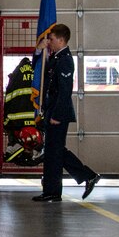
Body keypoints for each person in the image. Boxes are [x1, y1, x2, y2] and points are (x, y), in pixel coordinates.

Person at [34, 24, 100, 202]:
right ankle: (57, 189)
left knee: (54, 152)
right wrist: (40, 53)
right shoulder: (56, 57)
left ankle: (55, 190)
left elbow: (64, 90)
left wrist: (56, 115)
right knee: (55, 152)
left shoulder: (65, 60)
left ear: (61, 40)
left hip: (59, 113)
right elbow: (42, 75)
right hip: (52, 110)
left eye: (52, 39)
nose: (49, 42)